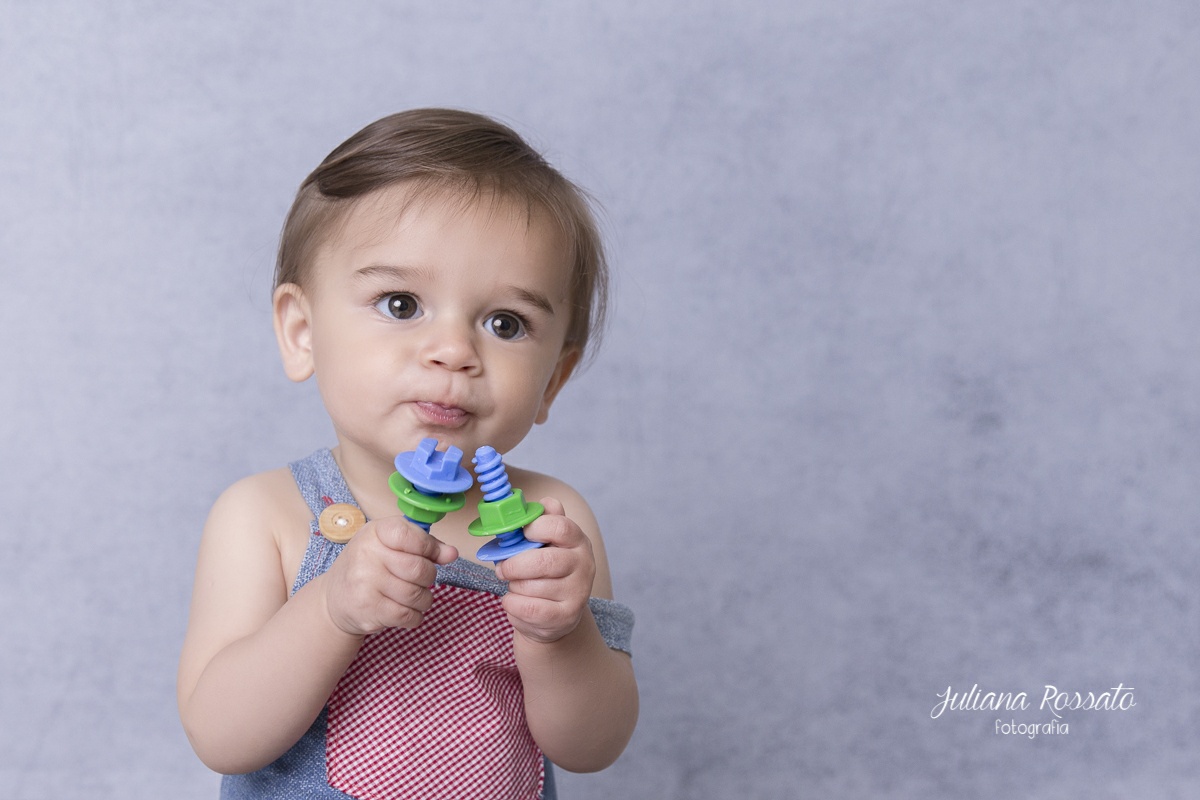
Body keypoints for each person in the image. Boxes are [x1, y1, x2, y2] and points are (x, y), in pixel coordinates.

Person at [177, 109, 638, 800]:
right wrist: (331, 609)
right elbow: (222, 736)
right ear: (302, 332)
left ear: (554, 380)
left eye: (505, 323)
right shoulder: (264, 515)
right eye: (400, 304)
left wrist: (561, 635)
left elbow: (593, 747)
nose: (453, 351)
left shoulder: (551, 521)